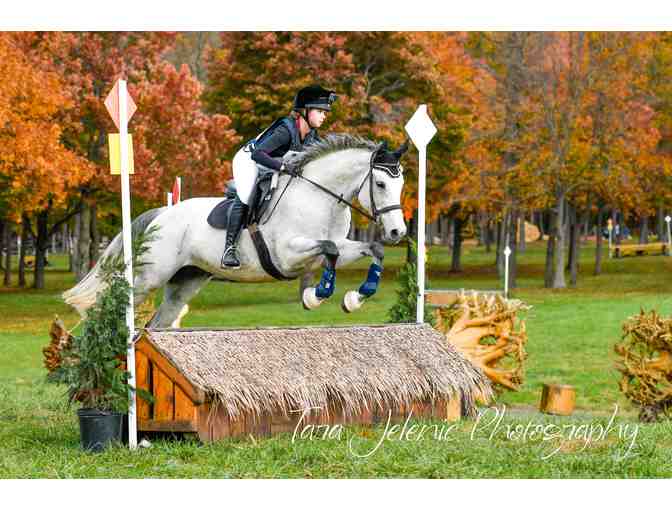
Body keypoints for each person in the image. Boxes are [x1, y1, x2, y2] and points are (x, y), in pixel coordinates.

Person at [221, 85, 337, 268]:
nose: (324, 116)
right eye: (320, 111)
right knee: (246, 194)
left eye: (325, 112)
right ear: (305, 111)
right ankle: (229, 249)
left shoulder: (312, 135)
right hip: (248, 160)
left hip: (272, 165)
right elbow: (257, 154)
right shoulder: (285, 130)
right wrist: (283, 167)